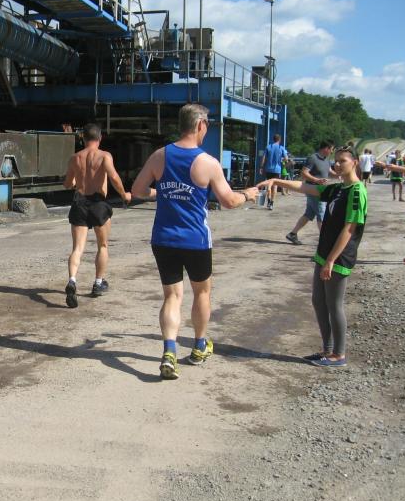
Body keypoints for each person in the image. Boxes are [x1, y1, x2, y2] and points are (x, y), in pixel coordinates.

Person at [131, 104, 259, 380]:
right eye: (207, 125)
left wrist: (164, 192)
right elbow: (228, 201)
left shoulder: (159, 156)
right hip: (195, 240)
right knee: (201, 293)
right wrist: (247, 195)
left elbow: (138, 191)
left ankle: (169, 352)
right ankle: (200, 345)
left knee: (172, 296)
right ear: (200, 125)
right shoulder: (208, 163)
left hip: (163, 238)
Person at [259, 147, 367, 368]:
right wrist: (277, 181)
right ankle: (327, 350)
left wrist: (331, 260)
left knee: (334, 305)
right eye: (336, 161)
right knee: (318, 301)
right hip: (323, 253)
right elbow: (305, 187)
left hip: (338, 257)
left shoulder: (357, 191)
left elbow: (349, 229)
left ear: (355, 162)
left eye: (343, 161)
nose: (337, 164)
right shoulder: (338, 188)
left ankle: (339, 355)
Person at [62, 123, 131, 308]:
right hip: (98, 204)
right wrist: (124, 195)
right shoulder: (104, 156)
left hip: (80, 203)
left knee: (77, 248)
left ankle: (72, 280)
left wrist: (75, 181)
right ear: (100, 138)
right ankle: (98, 283)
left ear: (83, 138)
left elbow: (67, 184)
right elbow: (114, 177)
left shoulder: (75, 158)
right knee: (102, 245)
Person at [285, 140, 337, 245]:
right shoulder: (312, 158)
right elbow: (304, 173)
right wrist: (316, 180)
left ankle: (292, 234)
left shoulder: (326, 159)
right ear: (326, 148)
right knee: (322, 214)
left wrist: (340, 175)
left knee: (309, 214)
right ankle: (325, 240)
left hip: (321, 190)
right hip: (313, 190)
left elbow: (329, 171)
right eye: (331, 149)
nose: (332, 152)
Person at [258, 134, 288, 210]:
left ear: (273, 139)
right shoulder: (281, 148)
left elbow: (263, 158)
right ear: (279, 140)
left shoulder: (268, 147)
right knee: (275, 186)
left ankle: (268, 201)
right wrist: (282, 161)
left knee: (269, 186)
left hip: (268, 169)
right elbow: (286, 159)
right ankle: (272, 203)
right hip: (277, 170)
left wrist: (261, 167)